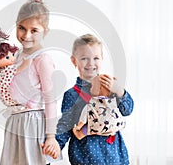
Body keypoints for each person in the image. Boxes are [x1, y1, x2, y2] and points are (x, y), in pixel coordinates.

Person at [0, 0, 60, 165]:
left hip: (33, 124)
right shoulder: (15, 55)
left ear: (45, 31)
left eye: (34, 30)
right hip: (16, 122)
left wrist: (50, 136)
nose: (26, 35)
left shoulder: (42, 59)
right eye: (21, 28)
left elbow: (50, 99)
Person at [55, 34, 134, 165]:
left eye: (96, 58)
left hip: (114, 156)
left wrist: (120, 91)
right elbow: (65, 126)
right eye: (84, 58)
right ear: (74, 61)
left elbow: (128, 110)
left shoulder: (111, 88)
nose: (91, 63)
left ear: (102, 59)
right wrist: (55, 145)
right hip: (85, 157)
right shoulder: (72, 95)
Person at [0, 29, 30, 108]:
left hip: (8, 100)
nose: (12, 59)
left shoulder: (0, 71)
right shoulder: (6, 70)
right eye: (7, 57)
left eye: (13, 54)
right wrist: (25, 64)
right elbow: (18, 70)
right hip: (12, 98)